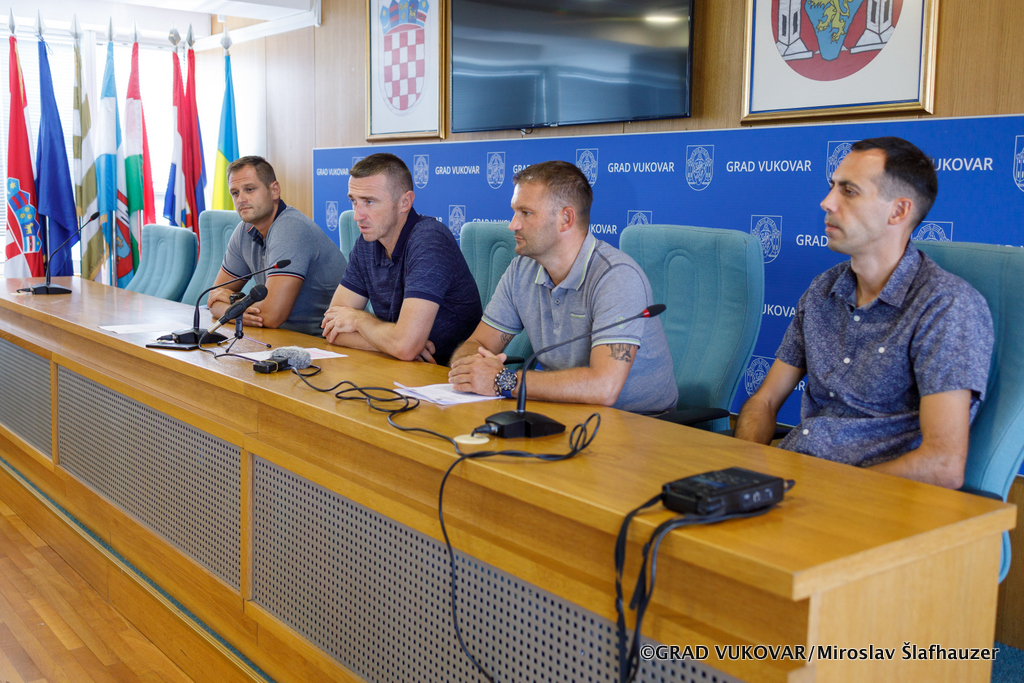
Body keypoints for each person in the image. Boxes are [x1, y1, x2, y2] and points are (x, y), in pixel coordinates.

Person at [734, 137, 993, 489]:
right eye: (832, 187)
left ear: (898, 212)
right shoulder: (823, 289)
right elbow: (764, 401)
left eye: (849, 191)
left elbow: (941, 464)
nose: (827, 202)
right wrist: (743, 472)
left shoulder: (946, 305)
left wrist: (827, 488)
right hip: (796, 480)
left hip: (872, 499)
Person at [448, 160, 678, 413]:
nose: (512, 224)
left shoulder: (617, 277)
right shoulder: (521, 270)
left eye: (526, 213)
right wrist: (470, 369)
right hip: (566, 409)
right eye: (514, 212)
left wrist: (504, 380)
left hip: (641, 422)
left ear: (566, 219)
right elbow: (478, 343)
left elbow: (604, 387)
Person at [321, 153, 482, 365]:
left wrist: (359, 320)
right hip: (400, 366)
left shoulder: (430, 240)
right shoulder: (367, 242)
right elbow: (332, 328)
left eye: (369, 201)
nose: (357, 215)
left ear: (405, 202)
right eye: (354, 201)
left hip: (446, 374)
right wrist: (396, 345)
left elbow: (405, 346)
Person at [207, 156, 346, 336]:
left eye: (249, 189)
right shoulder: (244, 230)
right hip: (281, 337)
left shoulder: (291, 227)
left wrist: (232, 303)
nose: (241, 199)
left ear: (274, 191)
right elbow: (213, 299)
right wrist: (233, 307)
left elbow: (271, 316)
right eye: (235, 193)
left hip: (322, 342)